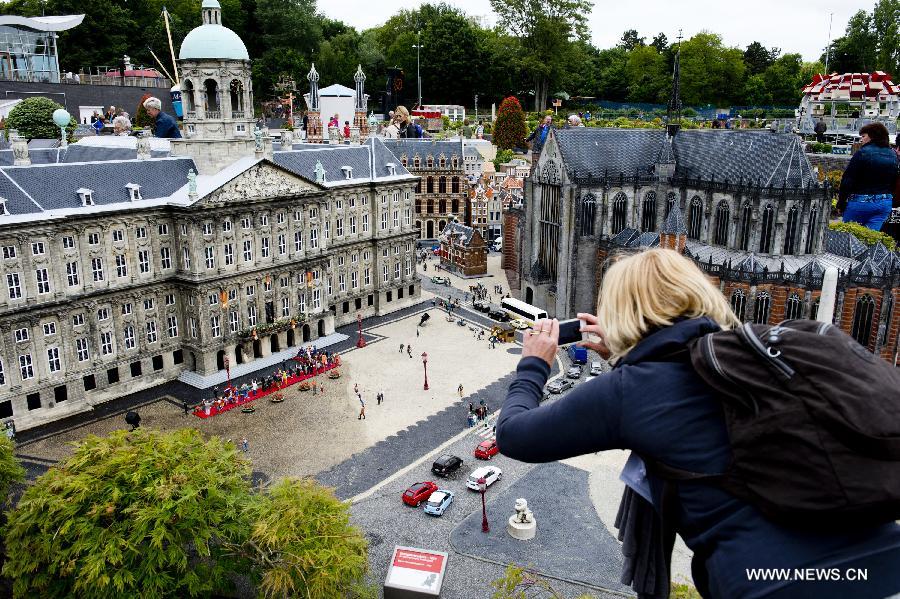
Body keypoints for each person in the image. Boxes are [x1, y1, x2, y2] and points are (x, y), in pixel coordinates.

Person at [496, 248, 900, 599]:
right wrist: (626, 352)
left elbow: (515, 435)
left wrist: (534, 362)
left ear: (621, 310)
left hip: (773, 583)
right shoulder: (749, 352)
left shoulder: (632, 390)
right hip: (883, 559)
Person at [838, 123, 898, 231]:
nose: (861, 140)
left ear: (872, 136)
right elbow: (894, 180)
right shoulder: (893, 154)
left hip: (860, 202)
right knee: (870, 238)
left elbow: (848, 180)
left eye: (863, 136)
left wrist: (841, 202)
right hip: (884, 203)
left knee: (850, 236)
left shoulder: (862, 153)